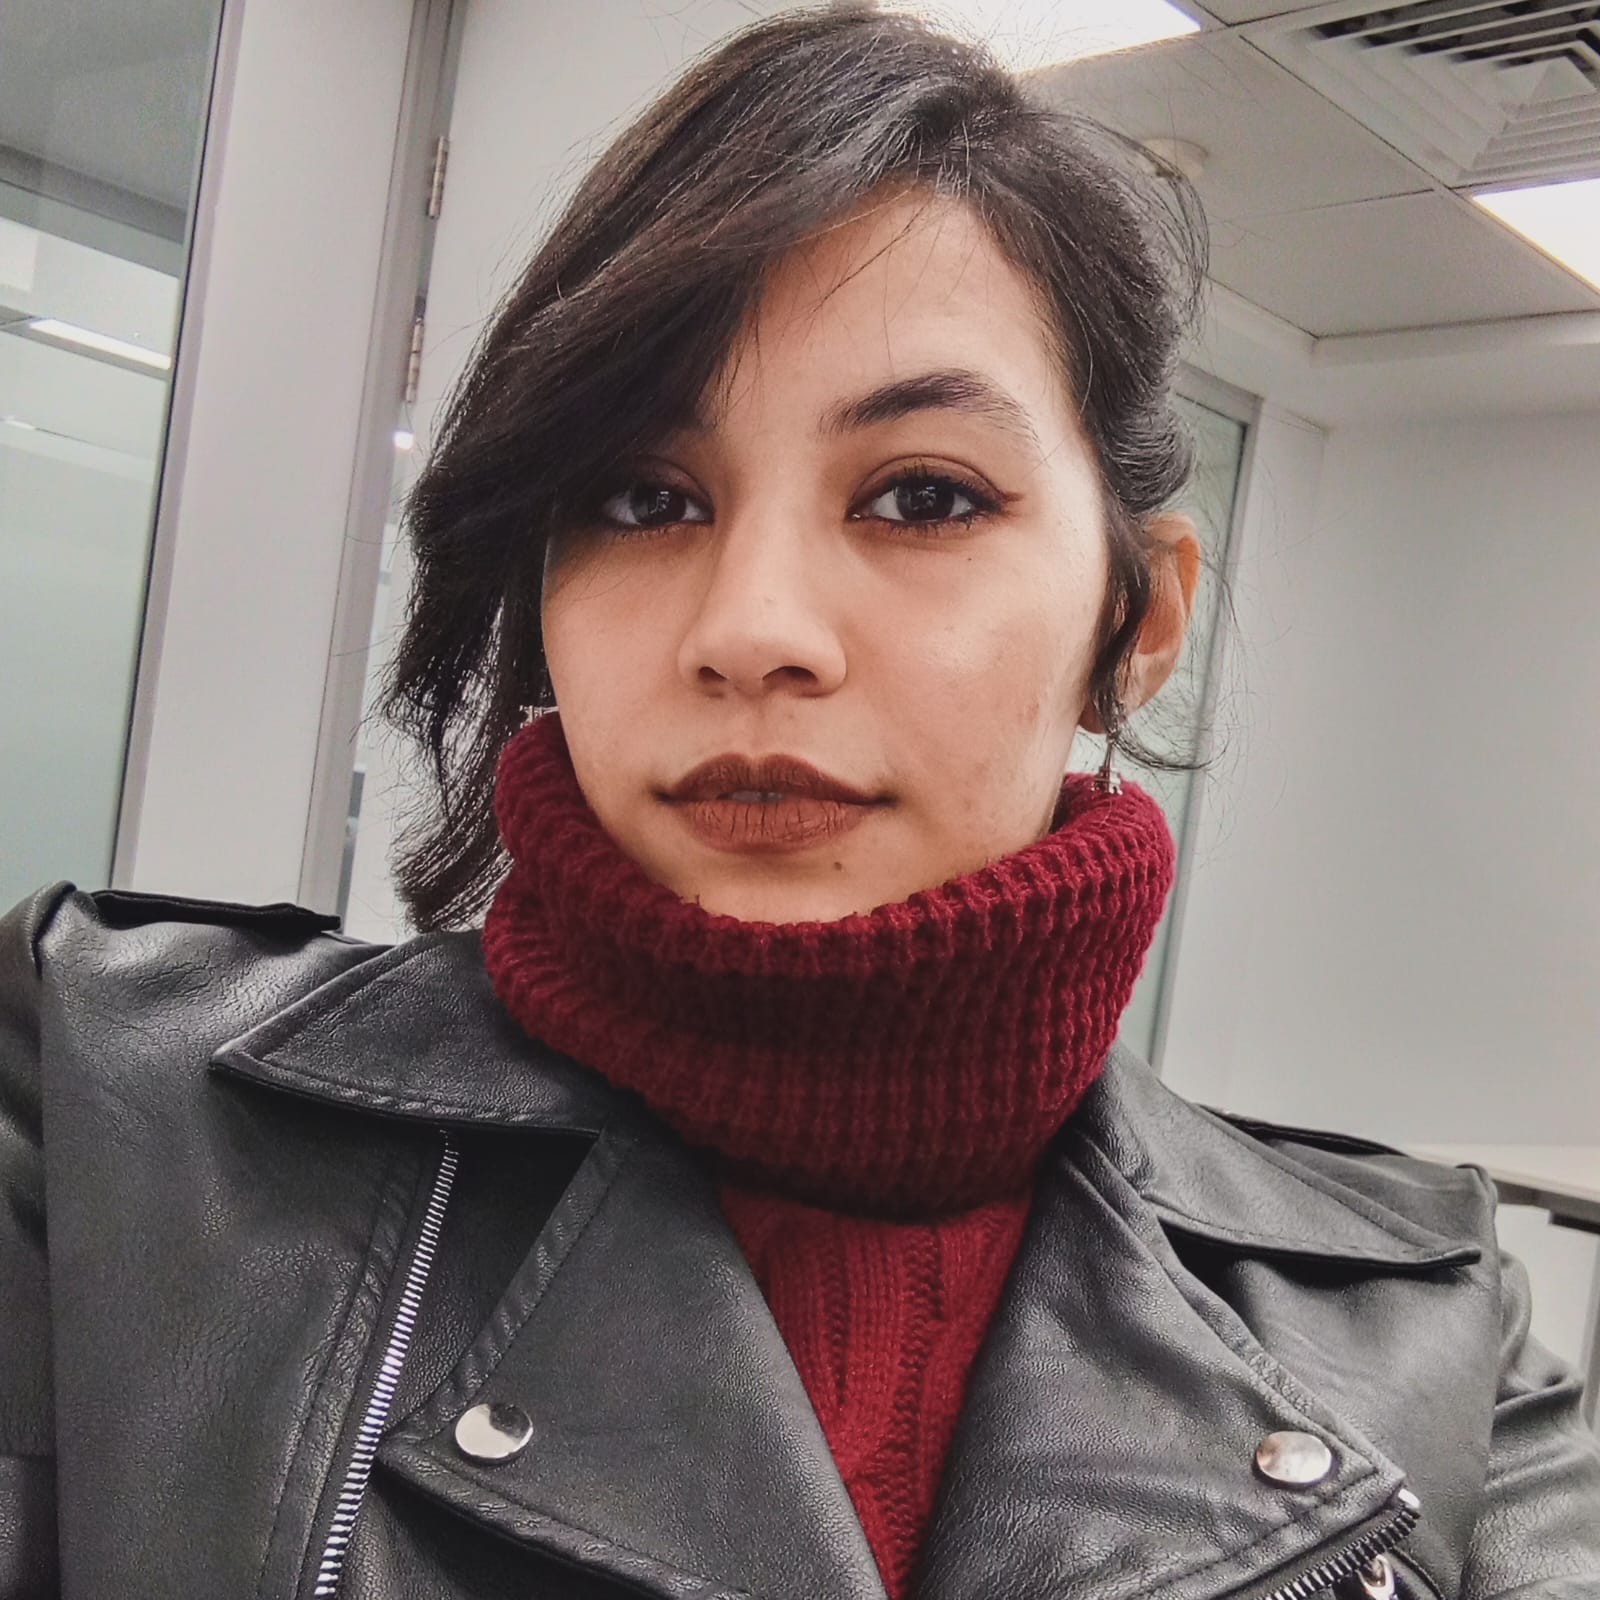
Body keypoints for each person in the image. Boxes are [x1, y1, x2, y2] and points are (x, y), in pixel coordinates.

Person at [2, 9, 1597, 1598]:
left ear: (1140, 623)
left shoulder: (1429, 1335)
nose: (752, 629)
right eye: (646, 499)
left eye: (923, 496)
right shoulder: (97, 1107)